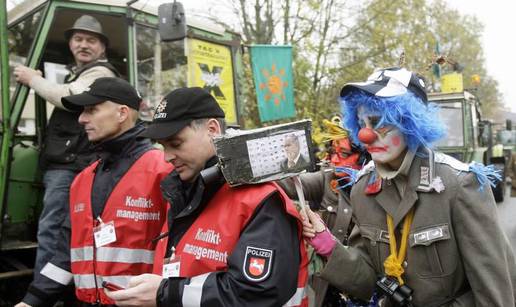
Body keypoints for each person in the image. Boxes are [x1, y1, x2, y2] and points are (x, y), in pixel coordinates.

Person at [302, 67, 516, 306]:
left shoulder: (459, 184)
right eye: (362, 122)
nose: (365, 135)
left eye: (379, 122)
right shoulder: (363, 189)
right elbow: (368, 279)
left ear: (410, 122)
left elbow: (494, 292)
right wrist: (327, 244)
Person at [105, 87, 309, 307]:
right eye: (162, 146)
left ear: (212, 129)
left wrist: (165, 293)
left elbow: (256, 293)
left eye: (176, 143)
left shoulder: (261, 200)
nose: (167, 157)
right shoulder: (184, 190)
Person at [15, 77, 173, 307]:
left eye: (91, 110)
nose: (81, 119)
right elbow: (65, 256)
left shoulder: (163, 170)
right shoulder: (82, 180)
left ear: (121, 113)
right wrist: (30, 302)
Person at [13, 14, 119, 276]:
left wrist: (32, 79)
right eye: (78, 39)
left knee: (54, 229)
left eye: (91, 40)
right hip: (69, 160)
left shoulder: (99, 72)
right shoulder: (80, 73)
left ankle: (44, 292)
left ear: (102, 48)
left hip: (73, 163)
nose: (84, 45)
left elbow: (69, 97)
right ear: (71, 44)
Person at [278, 117, 370, 307]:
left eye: (343, 153)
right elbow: (287, 183)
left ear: (366, 156)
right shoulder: (327, 180)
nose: (334, 160)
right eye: (332, 152)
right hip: (329, 289)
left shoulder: (380, 188)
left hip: (366, 288)